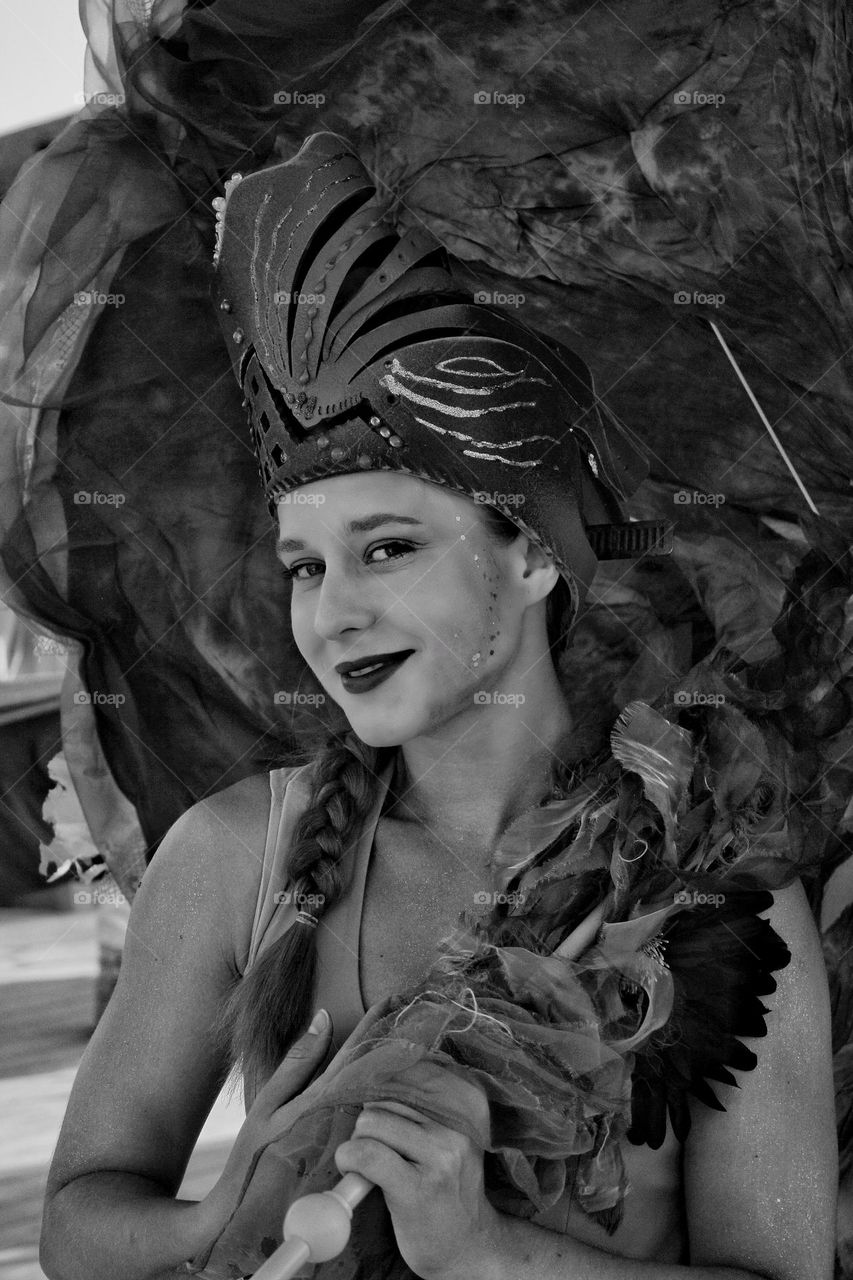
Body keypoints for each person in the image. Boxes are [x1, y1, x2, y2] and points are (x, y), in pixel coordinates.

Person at [40, 134, 836, 1280]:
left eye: (389, 548)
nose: (334, 614)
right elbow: (75, 1225)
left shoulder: (713, 886)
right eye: (306, 566)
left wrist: (486, 1251)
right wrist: (215, 1218)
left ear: (535, 554)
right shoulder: (235, 855)